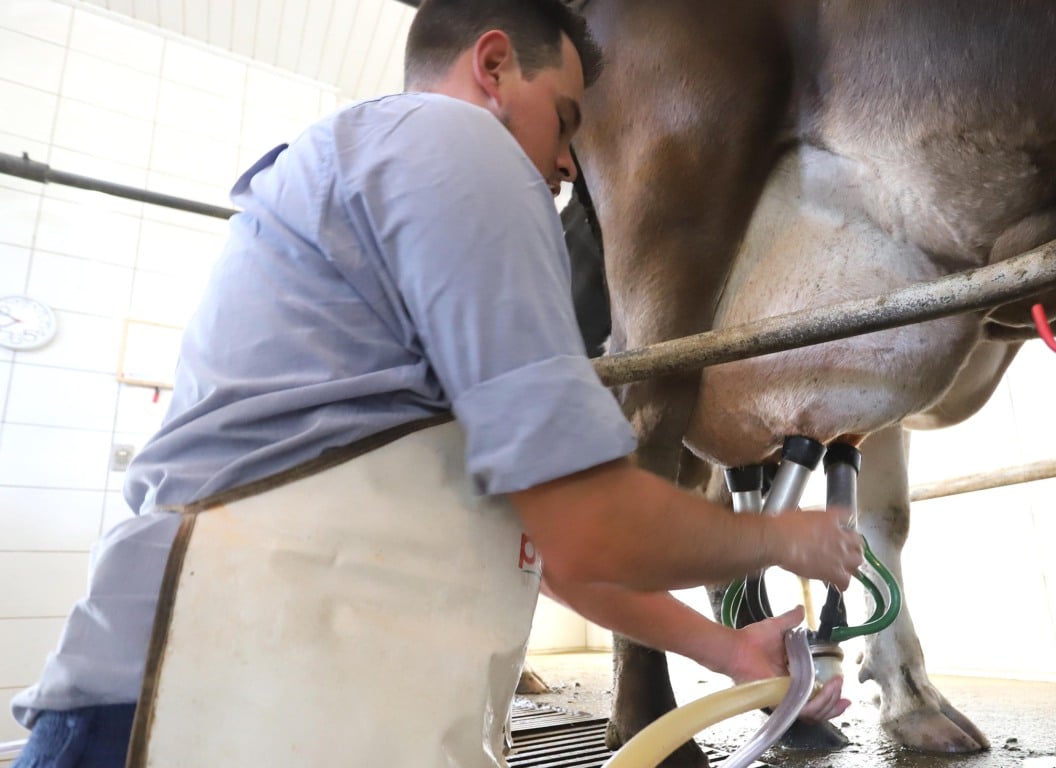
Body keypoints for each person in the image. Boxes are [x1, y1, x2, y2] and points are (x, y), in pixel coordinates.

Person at [11, 1, 863, 766]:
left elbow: (551, 554)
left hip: (248, 697)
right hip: (192, 704)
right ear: (492, 66)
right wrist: (784, 540)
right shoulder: (456, 140)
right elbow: (587, 526)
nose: (569, 166)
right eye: (564, 121)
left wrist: (726, 650)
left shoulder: (379, 212)